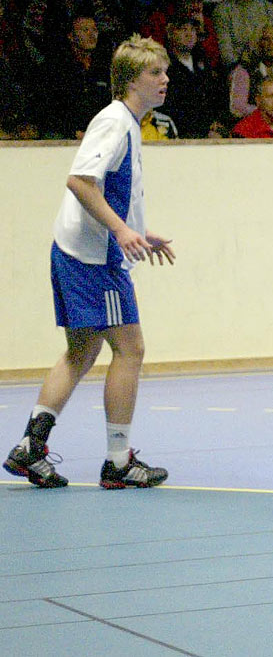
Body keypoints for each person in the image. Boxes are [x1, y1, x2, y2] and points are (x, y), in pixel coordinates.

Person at [5, 35, 175, 490]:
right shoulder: (116, 122)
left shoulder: (128, 123)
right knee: (131, 348)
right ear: (130, 79)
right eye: (155, 72)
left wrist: (137, 227)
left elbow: (106, 188)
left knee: (82, 350)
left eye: (165, 71)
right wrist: (121, 232)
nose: (164, 79)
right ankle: (118, 462)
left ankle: (29, 449)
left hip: (76, 251)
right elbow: (81, 181)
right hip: (95, 260)